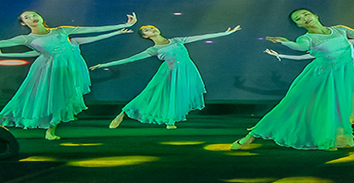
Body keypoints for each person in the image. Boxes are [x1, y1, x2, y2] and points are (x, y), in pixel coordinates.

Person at [0, 12, 136, 140]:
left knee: (62, 99)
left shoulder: (62, 30)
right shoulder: (27, 38)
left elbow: (92, 29)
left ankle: (50, 129)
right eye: (27, 17)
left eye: (34, 15)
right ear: (24, 23)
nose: (32, 17)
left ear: (40, 17)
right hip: (47, 69)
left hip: (68, 68)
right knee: (34, 96)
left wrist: (123, 25)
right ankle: (3, 120)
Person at [230, 9, 354, 150]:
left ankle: (330, 139)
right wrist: (286, 43)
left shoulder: (339, 30)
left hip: (340, 78)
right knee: (293, 106)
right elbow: (300, 47)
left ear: (315, 15)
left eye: (305, 14)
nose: (304, 18)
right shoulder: (306, 38)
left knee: (334, 108)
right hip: (318, 77)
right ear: (298, 25)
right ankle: (251, 136)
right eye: (298, 19)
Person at [88, 25, 242, 129]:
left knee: (180, 95)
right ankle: (124, 114)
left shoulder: (177, 40)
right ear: (146, 36)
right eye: (147, 30)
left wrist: (225, 33)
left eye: (151, 27)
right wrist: (103, 65)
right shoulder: (153, 49)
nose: (151, 29)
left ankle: (171, 118)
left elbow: (201, 36)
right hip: (169, 72)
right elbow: (130, 59)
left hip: (187, 71)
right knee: (154, 94)